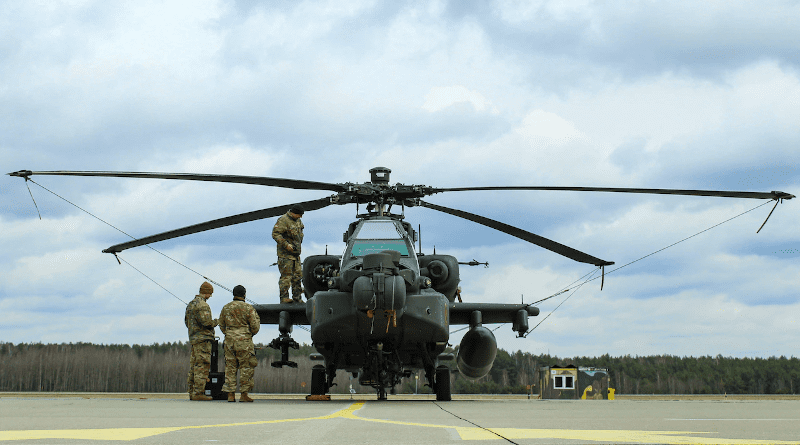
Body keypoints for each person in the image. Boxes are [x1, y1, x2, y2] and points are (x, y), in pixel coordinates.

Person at [219, 284, 261, 402]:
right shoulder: (248, 308)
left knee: (230, 367)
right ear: (244, 295)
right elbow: (255, 326)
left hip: (229, 341)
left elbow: (221, 324)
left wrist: (229, 333)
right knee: (246, 367)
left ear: (233, 294)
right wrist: (248, 334)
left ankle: (230, 394)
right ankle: (244, 394)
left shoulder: (226, 308)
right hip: (244, 342)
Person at [185, 281, 218, 401]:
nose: (210, 297)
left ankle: (191, 391)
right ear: (207, 292)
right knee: (202, 365)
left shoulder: (190, 304)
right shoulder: (203, 305)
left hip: (194, 339)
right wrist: (216, 322)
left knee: (194, 366)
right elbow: (207, 322)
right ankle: (199, 392)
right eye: (210, 293)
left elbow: (186, 322)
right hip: (203, 340)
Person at [272, 204, 305, 304]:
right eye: (299, 215)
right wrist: (286, 245)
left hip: (296, 255)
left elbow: (301, 229)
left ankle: (297, 298)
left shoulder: (298, 221)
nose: (300, 217)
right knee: (286, 277)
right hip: (285, 255)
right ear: (293, 213)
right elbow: (275, 234)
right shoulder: (283, 220)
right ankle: (284, 297)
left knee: (297, 277)